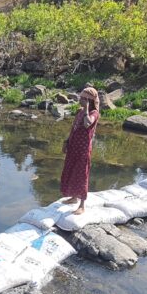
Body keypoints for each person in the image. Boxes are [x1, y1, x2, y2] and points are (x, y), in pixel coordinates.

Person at [59, 87, 101, 215]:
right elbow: (74, 128)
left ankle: (82, 205)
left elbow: (87, 123)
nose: (80, 100)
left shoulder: (94, 113)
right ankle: (74, 197)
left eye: (83, 98)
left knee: (82, 174)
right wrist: (66, 142)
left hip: (83, 149)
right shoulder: (79, 111)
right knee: (71, 171)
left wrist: (87, 108)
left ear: (90, 100)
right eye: (81, 97)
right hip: (73, 147)